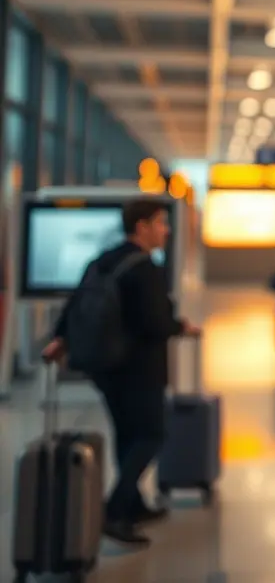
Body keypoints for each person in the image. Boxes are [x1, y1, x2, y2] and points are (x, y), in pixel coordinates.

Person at [43, 198, 200, 546]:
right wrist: (180, 326)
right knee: (151, 434)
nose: (166, 229)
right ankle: (114, 511)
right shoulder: (146, 269)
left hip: (104, 367)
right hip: (138, 368)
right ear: (141, 227)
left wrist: (60, 339)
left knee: (127, 433)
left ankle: (134, 505)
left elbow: (76, 302)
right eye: (161, 223)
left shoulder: (103, 260)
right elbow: (154, 324)